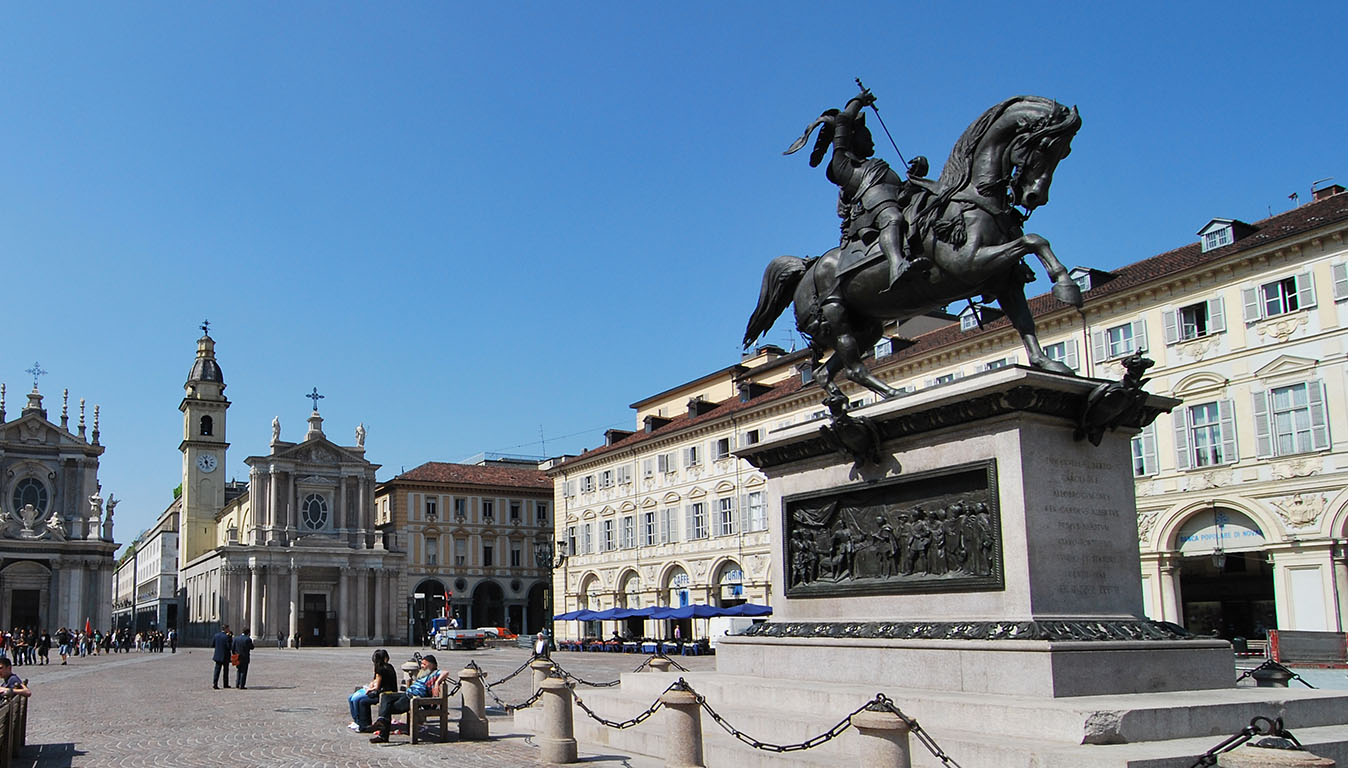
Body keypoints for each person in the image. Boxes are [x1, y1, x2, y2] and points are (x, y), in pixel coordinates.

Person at [370, 655, 447, 743]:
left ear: (431, 665)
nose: (422, 666)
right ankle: (381, 721)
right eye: (422, 663)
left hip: (413, 698)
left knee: (387, 708)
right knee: (385, 696)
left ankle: (383, 734)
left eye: (424, 664)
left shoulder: (434, 673)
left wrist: (437, 683)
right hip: (406, 694)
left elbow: (446, 672)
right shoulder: (422, 674)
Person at [348, 649, 397, 732]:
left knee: (362, 701)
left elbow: (377, 687)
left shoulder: (380, 669)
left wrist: (369, 689)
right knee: (360, 700)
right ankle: (362, 723)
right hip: (390, 693)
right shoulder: (389, 666)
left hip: (384, 695)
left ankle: (363, 724)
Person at [210, 624, 233, 690]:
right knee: (225, 671)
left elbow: (212, 644)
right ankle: (225, 684)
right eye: (228, 629)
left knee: (217, 670)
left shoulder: (216, 635)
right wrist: (230, 638)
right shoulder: (227, 637)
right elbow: (229, 647)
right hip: (225, 656)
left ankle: (215, 683)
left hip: (218, 655)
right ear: (226, 629)